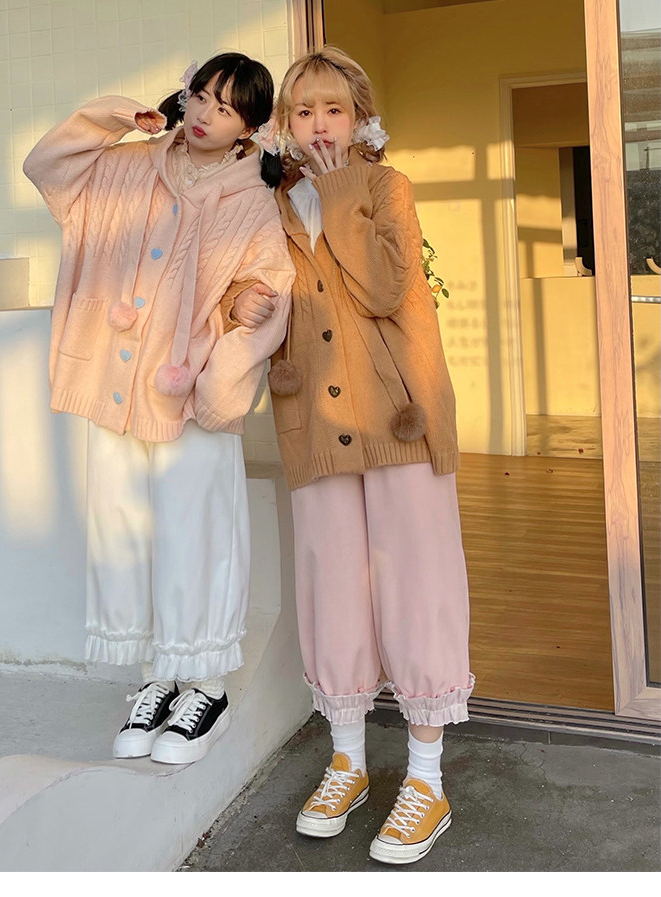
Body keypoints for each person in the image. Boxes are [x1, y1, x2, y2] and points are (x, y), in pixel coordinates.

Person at [23, 53, 294, 765]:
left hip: (188, 392)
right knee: (125, 530)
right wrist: (117, 117)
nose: (204, 114)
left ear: (248, 128)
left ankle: (205, 684)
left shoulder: (252, 199)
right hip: (115, 384)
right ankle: (156, 678)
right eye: (199, 96)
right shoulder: (130, 165)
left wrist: (236, 320)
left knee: (195, 530)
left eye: (225, 108)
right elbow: (46, 166)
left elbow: (266, 288)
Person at [263, 46, 473, 864]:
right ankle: (347, 760)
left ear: (359, 117)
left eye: (334, 109)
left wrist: (340, 189)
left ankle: (426, 778)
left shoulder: (386, 187)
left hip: (400, 416)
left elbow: (387, 288)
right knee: (332, 585)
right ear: (286, 122)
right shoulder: (274, 203)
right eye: (304, 110)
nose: (319, 124)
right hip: (316, 420)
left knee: (417, 581)